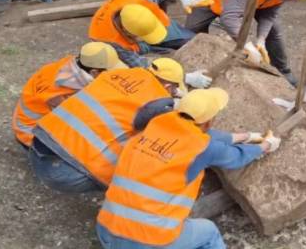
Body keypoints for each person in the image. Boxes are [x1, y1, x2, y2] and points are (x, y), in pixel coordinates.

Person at [95, 88, 281, 248]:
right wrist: (265, 146)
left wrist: (245, 136)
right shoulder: (203, 148)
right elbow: (236, 157)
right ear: (208, 122)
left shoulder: (157, 124)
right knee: (209, 233)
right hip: (145, 241)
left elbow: (202, 135)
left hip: (105, 229)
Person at [29, 58, 215, 193]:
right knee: (149, 149)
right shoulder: (158, 101)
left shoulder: (116, 74)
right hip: (64, 174)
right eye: (175, 88)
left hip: (38, 143)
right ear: (168, 87)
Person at [184, 0, 306, 85]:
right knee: (192, 29)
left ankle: (283, 70)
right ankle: (196, 66)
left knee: (274, 32)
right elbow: (229, 17)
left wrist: (261, 40)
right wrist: (247, 45)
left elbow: (269, 15)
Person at [12, 42, 127, 148]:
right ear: (94, 72)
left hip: (32, 122)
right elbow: (82, 120)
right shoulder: (62, 91)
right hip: (31, 135)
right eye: (109, 72)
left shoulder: (71, 65)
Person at [88, 0, 212, 66]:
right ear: (127, 32)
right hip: (131, 45)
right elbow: (140, 64)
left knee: (193, 41)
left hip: (159, 25)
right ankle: (151, 47)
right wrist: (181, 76)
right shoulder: (107, 39)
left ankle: (159, 41)